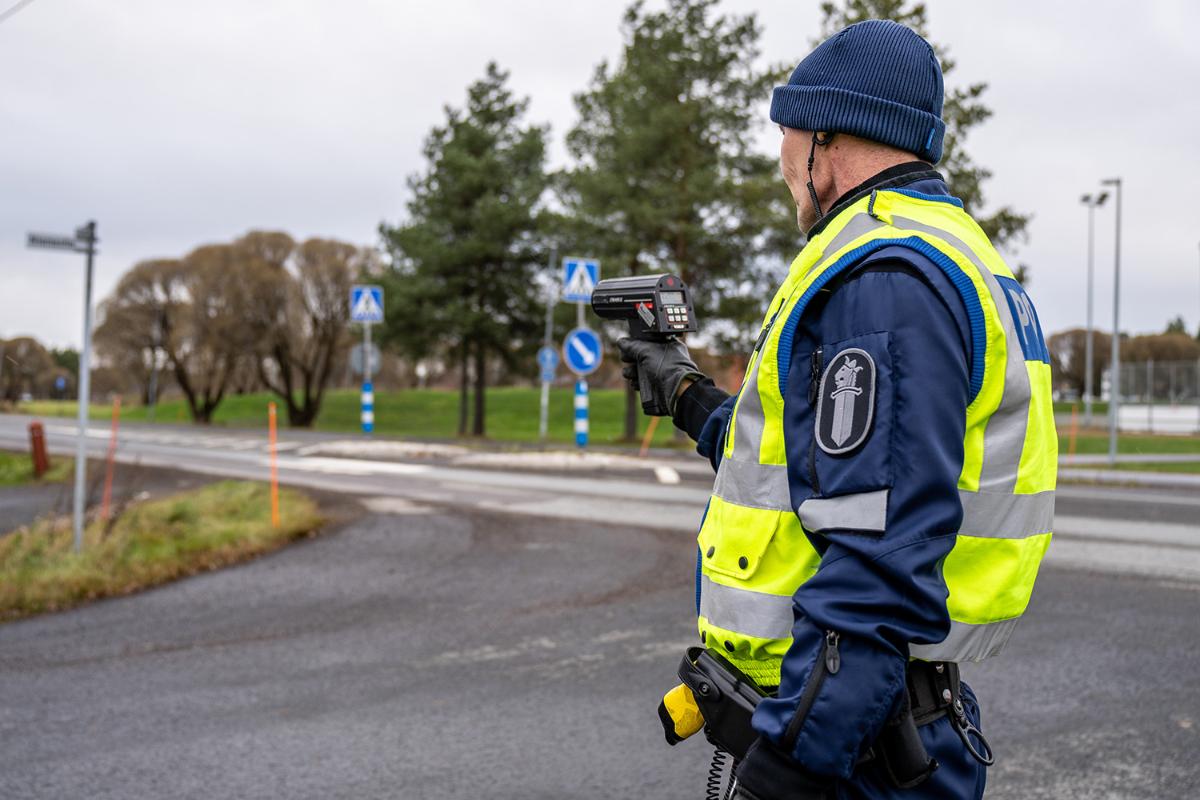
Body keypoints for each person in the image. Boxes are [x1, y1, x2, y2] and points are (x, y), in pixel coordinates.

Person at [620, 19, 1056, 800]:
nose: (782, 158)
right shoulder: (940, 251)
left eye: (787, 132)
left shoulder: (883, 278)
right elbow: (818, 469)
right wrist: (689, 395)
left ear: (826, 136)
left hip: (850, 753)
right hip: (878, 729)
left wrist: (786, 770)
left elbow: (878, 559)